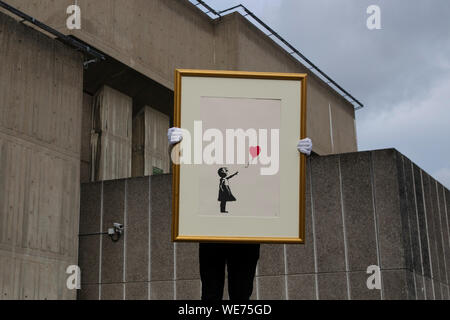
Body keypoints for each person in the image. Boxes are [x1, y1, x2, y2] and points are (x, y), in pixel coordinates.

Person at [168, 127, 313, 300]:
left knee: (241, 293)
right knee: (211, 292)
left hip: (246, 229)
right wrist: (177, 147)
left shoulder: (258, 142)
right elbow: (190, 169)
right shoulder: (213, 139)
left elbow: (272, 172)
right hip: (211, 227)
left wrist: (293, 153)